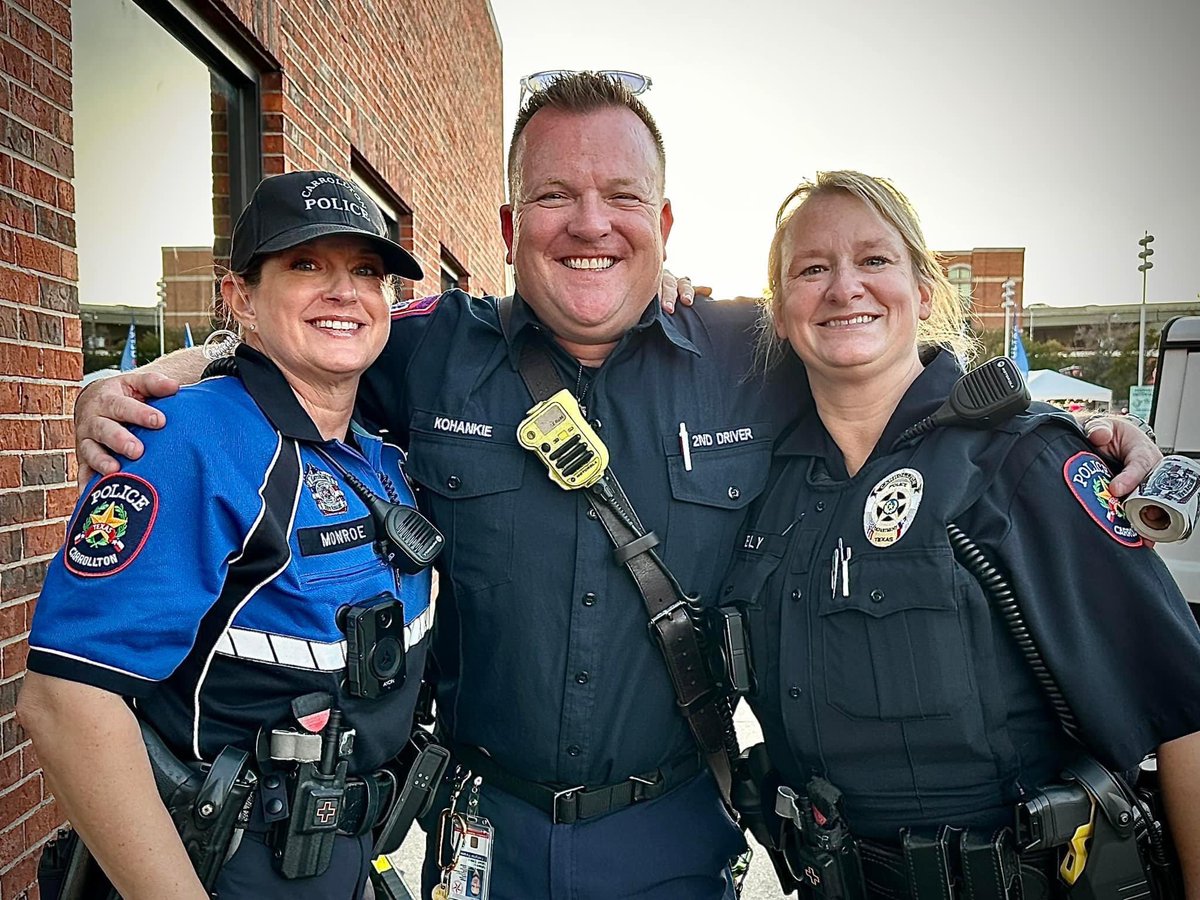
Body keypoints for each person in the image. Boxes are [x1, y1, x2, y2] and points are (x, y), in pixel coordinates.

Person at [69, 75, 1162, 899]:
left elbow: (892, 373)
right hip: (477, 835)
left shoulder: (753, 353)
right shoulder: (430, 352)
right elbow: (306, 348)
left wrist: (1080, 432)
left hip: (673, 840)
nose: (589, 223)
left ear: (666, 225)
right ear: (507, 231)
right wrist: (137, 380)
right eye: (554, 196)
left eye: (620, 196)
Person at [723, 170, 1200, 898]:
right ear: (781, 312)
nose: (845, 286)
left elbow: (1183, 711)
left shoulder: (1024, 461)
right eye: (811, 269)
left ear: (922, 291)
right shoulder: (763, 485)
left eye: (874, 261)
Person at [18, 171, 436, 899]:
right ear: (240, 295)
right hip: (222, 866)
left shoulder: (385, 455)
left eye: (365, 272)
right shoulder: (187, 443)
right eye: (306, 265)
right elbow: (63, 705)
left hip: (346, 859)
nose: (344, 292)